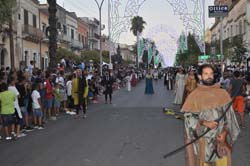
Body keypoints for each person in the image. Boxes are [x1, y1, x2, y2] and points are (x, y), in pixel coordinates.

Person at [182, 64, 240, 166]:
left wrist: (225, 133)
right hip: (203, 144)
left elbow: (230, 119)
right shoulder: (194, 96)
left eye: (211, 74)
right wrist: (204, 122)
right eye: (206, 74)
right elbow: (188, 119)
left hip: (220, 142)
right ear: (200, 76)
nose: (209, 76)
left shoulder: (223, 94)